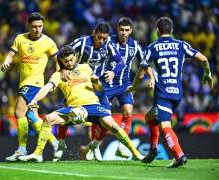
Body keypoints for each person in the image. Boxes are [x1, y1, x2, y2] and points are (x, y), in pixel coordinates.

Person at [18, 46, 144, 162]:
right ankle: (38, 154)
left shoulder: (86, 67)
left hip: (93, 105)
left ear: (75, 57)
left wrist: (96, 82)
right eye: (66, 61)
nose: (70, 63)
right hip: (74, 108)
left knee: (112, 125)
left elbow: (100, 89)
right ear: (61, 61)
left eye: (71, 59)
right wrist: (34, 100)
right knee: (48, 119)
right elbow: (47, 88)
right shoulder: (58, 75)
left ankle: (136, 153)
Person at [126, 17, 213, 168]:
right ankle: (153, 149)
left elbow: (141, 73)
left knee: (165, 126)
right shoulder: (181, 45)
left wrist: (133, 88)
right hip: (177, 92)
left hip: (163, 93)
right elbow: (204, 59)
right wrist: (207, 74)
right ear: (171, 31)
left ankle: (179, 155)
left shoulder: (152, 47)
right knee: (150, 117)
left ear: (157, 31)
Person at [85, 17, 154, 160]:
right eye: (121, 30)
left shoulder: (134, 45)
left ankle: (122, 146)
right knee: (103, 117)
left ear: (131, 31)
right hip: (106, 85)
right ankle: (95, 144)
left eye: (126, 30)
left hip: (124, 84)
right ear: (117, 29)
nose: (123, 33)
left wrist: (152, 78)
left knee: (128, 111)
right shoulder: (107, 41)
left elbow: (145, 63)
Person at [55, 22, 126, 161]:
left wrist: (113, 72)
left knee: (106, 118)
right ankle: (61, 143)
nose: (101, 41)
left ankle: (95, 145)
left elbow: (121, 62)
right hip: (78, 85)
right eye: (99, 37)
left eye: (104, 38)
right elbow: (60, 53)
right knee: (65, 115)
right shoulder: (82, 43)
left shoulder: (108, 44)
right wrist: (63, 69)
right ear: (94, 32)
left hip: (97, 85)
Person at [1, 12, 59, 161]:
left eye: (40, 26)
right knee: (32, 116)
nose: (37, 29)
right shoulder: (20, 39)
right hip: (24, 82)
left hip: (35, 83)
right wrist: (7, 61)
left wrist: (59, 75)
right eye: (34, 26)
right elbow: (11, 54)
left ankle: (21, 149)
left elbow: (58, 61)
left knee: (19, 112)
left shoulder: (48, 42)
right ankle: (54, 142)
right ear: (29, 26)